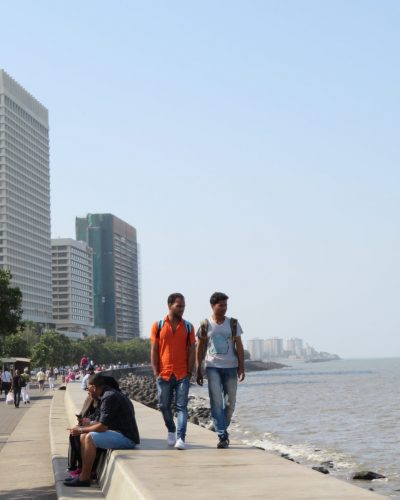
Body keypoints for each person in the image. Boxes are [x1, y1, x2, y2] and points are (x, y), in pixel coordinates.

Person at [64, 373, 140, 488]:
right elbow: (101, 421)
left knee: (89, 437)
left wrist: (80, 429)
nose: (87, 390)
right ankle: (84, 474)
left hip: (127, 438)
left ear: (94, 387)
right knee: (84, 436)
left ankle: (84, 478)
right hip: (118, 433)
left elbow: (103, 427)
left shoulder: (109, 397)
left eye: (88, 387)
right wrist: (85, 426)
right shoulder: (106, 395)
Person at [196, 292, 245, 449]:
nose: (224, 308)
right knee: (217, 402)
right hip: (213, 368)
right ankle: (222, 436)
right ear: (213, 306)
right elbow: (200, 347)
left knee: (230, 404)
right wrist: (198, 369)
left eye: (226, 305)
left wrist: (241, 367)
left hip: (231, 367)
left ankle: (220, 425)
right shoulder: (205, 325)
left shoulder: (233, 324)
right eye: (221, 305)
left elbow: (240, 346)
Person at [150, 293, 195, 450]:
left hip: (183, 374)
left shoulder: (189, 326)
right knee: (163, 405)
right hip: (164, 373)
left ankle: (181, 438)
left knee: (181, 406)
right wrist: (156, 372)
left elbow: (191, 350)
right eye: (179, 306)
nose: (182, 309)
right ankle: (171, 429)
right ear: (170, 305)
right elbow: (155, 350)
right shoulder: (158, 325)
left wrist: (190, 372)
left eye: (183, 306)